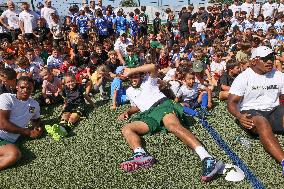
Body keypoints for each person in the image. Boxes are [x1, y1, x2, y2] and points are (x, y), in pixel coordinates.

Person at [118, 64, 224, 181]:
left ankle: (208, 158)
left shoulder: (148, 81)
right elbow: (137, 106)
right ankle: (140, 154)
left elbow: (153, 67)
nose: (133, 79)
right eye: (131, 77)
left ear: (140, 76)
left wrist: (131, 70)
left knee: (172, 126)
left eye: (135, 76)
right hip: (148, 114)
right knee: (127, 128)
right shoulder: (128, 91)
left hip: (162, 105)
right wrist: (128, 111)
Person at [227, 46, 284, 174]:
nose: (270, 61)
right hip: (250, 112)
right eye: (265, 59)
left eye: (271, 58)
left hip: (273, 110)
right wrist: (238, 116)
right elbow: (231, 102)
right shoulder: (243, 77)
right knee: (261, 122)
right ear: (254, 61)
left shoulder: (278, 75)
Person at [0, 76, 43, 170]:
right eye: (22, 87)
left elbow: (36, 120)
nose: (25, 90)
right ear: (17, 87)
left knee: (14, 154)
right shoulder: (7, 97)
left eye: (29, 88)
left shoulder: (34, 104)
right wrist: (27, 132)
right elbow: (2, 124)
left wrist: (37, 128)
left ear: (32, 89)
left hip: (7, 141)